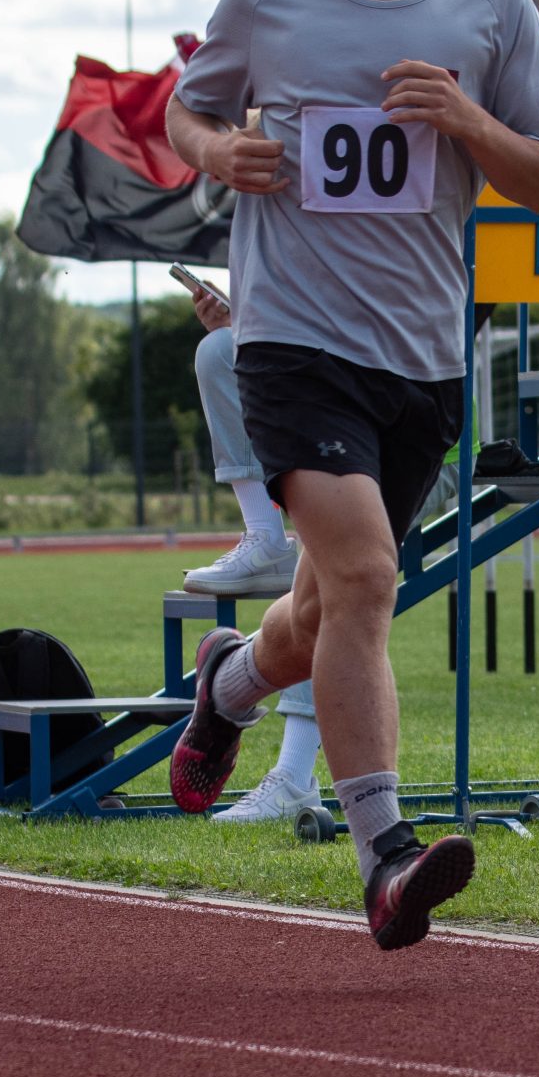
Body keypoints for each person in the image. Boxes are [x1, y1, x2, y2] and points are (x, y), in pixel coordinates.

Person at [163, 0, 539, 949]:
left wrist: (466, 119)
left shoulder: (490, 11)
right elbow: (188, 112)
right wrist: (219, 155)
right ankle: (386, 855)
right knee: (365, 580)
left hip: (420, 358)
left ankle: (228, 685)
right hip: (290, 339)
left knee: (320, 608)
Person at [178, 278, 322, 825]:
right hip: (338, 416)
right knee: (220, 348)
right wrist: (248, 325)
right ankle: (264, 532)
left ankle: (290, 770)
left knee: (326, 565)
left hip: (406, 437)